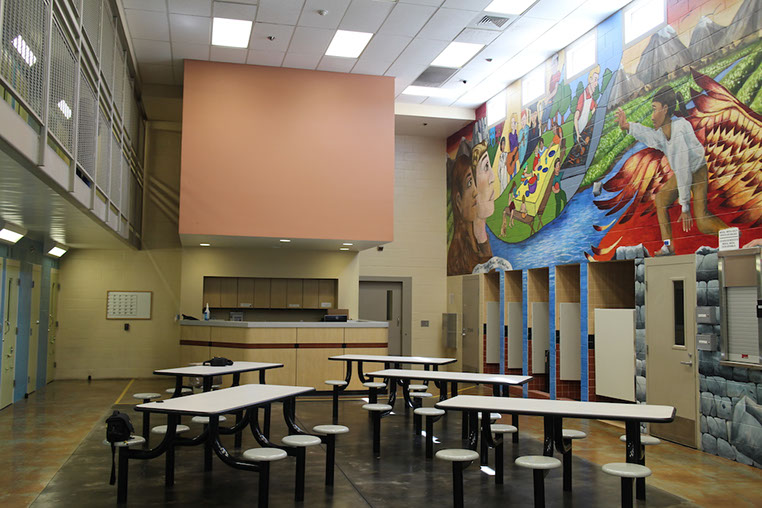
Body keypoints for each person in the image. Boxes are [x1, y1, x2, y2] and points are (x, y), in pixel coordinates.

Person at [615, 86, 727, 255]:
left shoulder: (679, 130)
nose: (652, 116)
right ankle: (668, 245)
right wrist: (627, 126)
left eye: (654, 109)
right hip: (684, 172)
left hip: (697, 171)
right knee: (661, 199)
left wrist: (685, 207)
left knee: (702, 222)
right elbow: (648, 135)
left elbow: (683, 169)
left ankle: (730, 234)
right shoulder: (663, 133)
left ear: (665, 108)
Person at [447, 142, 495, 274]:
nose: (475, 191)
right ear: (458, 201)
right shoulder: (458, 258)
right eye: (469, 183)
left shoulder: (479, 242)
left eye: (475, 182)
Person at [574, 65, 599, 146]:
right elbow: (576, 117)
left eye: (597, 80)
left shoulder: (591, 99)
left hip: (584, 131)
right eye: (595, 80)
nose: (596, 83)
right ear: (590, 79)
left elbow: (594, 113)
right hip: (578, 132)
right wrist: (577, 133)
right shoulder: (583, 96)